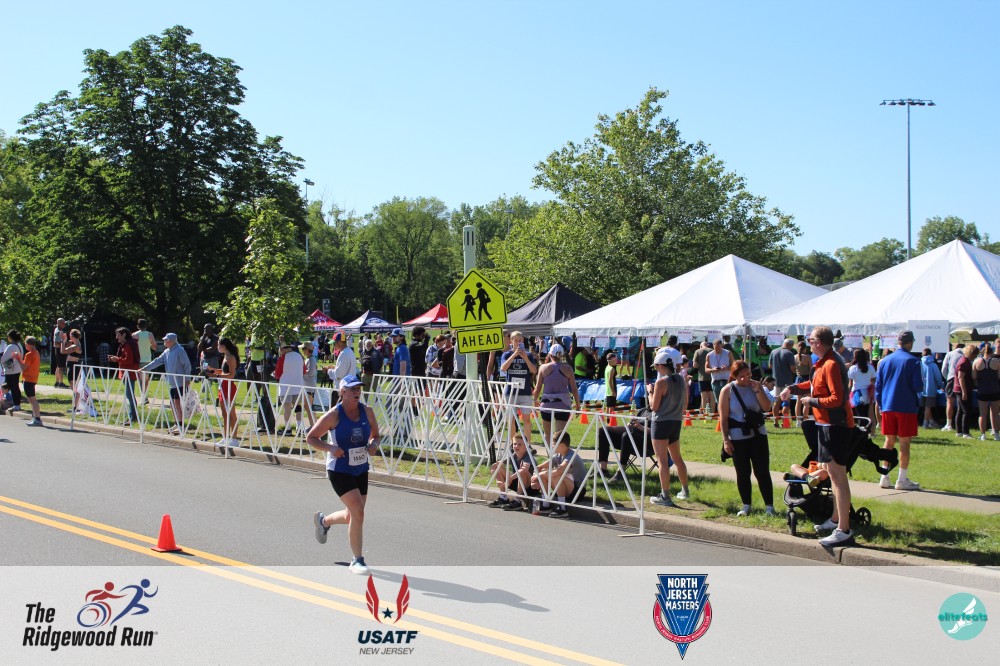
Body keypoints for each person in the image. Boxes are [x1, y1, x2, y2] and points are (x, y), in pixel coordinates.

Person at [781, 326, 855, 547]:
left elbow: (837, 399)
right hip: (825, 425)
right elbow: (813, 385)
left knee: (838, 478)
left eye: (811, 340)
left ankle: (843, 530)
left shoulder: (831, 364)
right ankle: (836, 520)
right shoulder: (822, 363)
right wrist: (793, 389)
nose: (808, 343)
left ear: (819, 343)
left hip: (835, 426)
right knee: (832, 475)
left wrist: (810, 401)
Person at [309, 375, 381, 575]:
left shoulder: (367, 411)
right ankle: (357, 560)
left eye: (359, 388)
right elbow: (311, 437)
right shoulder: (334, 415)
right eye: (353, 389)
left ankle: (324, 522)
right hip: (339, 469)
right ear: (343, 392)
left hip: (360, 468)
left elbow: (376, 435)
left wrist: (373, 445)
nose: (357, 392)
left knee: (353, 515)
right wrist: (330, 448)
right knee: (358, 511)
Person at [719, 360, 774, 516]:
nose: (746, 379)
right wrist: (726, 440)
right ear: (734, 376)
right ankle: (746, 505)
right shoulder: (727, 390)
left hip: (758, 434)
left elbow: (766, 408)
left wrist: (758, 391)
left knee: (762, 471)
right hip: (738, 436)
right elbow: (723, 418)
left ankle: (769, 506)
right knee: (743, 472)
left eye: (748, 375)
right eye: (742, 376)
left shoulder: (756, 386)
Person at [874, 330, 924, 491]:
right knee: (904, 442)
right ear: (910, 343)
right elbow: (918, 386)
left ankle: (884, 476)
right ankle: (901, 479)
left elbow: (878, 385)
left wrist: (881, 404)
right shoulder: (913, 361)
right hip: (906, 406)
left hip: (888, 405)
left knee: (889, 441)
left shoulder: (885, 360)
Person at [646, 351, 690, 507]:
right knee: (677, 458)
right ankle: (685, 490)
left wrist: (650, 391)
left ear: (660, 366)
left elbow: (654, 406)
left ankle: (665, 496)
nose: (656, 369)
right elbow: (685, 402)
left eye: (656, 367)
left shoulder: (661, 382)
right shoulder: (681, 379)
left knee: (662, 461)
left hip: (661, 423)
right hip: (675, 421)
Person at [141, 333, 192, 434]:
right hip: (172, 382)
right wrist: (145, 368)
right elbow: (157, 361)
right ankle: (176, 423)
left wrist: (187, 378)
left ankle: (181, 426)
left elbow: (187, 365)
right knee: (172, 403)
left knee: (177, 403)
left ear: (172, 341)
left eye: (166, 340)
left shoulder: (180, 350)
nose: (164, 341)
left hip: (180, 381)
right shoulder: (166, 351)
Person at [531, 344, 581, 449]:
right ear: (562, 355)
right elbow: (574, 388)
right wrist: (577, 405)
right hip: (563, 404)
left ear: (550, 354)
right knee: (560, 435)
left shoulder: (543, 368)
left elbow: (538, 388)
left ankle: (550, 454)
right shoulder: (568, 369)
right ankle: (558, 454)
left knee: (547, 433)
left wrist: (534, 400)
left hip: (547, 403)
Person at [530, 432, 585, 518]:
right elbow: (539, 467)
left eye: (554, 444)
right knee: (544, 473)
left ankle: (563, 509)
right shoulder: (557, 455)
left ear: (561, 445)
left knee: (555, 475)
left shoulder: (571, 456)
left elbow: (558, 471)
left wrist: (541, 474)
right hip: (566, 487)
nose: (552, 446)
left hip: (578, 491)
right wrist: (535, 479)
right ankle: (546, 504)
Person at [500, 331, 538, 444]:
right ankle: (513, 444)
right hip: (510, 392)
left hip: (525, 391)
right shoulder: (506, 354)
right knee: (511, 419)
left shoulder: (529, 355)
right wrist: (514, 355)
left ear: (523, 341)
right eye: (515, 340)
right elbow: (503, 368)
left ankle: (527, 444)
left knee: (526, 419)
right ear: (511, 341)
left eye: (519, 340)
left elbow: (534, 370)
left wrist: (525, 358)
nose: (517, 342)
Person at [488, 433, 536, 510]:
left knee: (522, 471)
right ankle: (503, 497)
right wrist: (499, 480)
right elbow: (499, 464)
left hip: (531, 486)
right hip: (517, 483)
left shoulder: (528, 456)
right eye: (514, 444)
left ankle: (518, 500)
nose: (516, 446)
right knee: (496, 467)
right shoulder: (514, 455)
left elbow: (524, 469)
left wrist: (510, 478)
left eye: (520, 444)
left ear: (526, 446)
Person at [207, 338, 240, 448]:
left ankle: (234, 438)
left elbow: (231, 374)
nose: (217, 347)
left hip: (228, 386)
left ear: (224, 346)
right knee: (224, 414)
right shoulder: (225, 357)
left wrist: (217, 375)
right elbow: (224, 371)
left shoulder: (231, 358)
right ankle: (225, 437)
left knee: (231, 413)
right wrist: (213, 370)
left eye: (218, 345)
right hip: (222, 386)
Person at [108, 327, 140, 424]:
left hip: (129, 373)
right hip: (127, 372)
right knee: (129, 395)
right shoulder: (127, 344)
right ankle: (132, 416)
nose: (116, 337)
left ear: (124, 335)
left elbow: (129, 360)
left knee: (129, 395)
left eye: (118, 335)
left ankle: (133, 417)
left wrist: (117, 359)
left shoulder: (128, 344)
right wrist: (117, 358)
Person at [276, 344, 305, 435]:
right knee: (298, 407)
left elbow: (278, 373)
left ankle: (288, 429)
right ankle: (299, 427)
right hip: (298, 385)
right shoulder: (299, 356)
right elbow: (304, 371)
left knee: (287, 408)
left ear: (282, 349)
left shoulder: (283, 358)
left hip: (286, 386)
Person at [973, 343, 1000, 441]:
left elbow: (974, 377)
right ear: (992, 352)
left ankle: (983, 435)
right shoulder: (997, 362)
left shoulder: (977, 362)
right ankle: (996, 434)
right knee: (995, 413)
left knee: (982, 414)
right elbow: (999, 376)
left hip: (982, 390)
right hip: (994, 390)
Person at [13, 336, 42, 425]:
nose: (25, 345)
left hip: (29, 379)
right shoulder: (36, 353)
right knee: (32, 400)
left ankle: (37, 419)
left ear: (28, 344)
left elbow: (23, 367)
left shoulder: (29, 354)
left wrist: (18, 358)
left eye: (25, 344)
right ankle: (35, 417)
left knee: (32, 400)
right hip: (32, 378)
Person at [768, 339, 797, 424]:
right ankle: (785, 422)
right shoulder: (790, 353)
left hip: (776, 381)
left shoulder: (773, 351)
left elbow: (770, 366)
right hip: (787, 382)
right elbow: (792, 368)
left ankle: (775, 422)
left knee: (776, 403)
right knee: (786, 402)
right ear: (791, 346)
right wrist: (796, 370)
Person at [952, 345, 978, 439]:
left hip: (958, 389)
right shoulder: (964, 362)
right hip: (962, 389)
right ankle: (965, 433)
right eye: (975, 355)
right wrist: (964, 392)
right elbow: (961, 377)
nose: (975, 357)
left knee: (960, 410)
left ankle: (959, 431)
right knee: (966, 411)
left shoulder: (964, 360)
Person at [940, 342, 965, 431]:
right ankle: (960, 423)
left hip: (951, 378)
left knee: (949, 402)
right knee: (960, 402)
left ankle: (949, 423)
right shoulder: (965, 355)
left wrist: (947, 378)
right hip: (962, 379)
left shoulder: (950, 354)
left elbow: (944, 368)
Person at [847, 348, 876, 423]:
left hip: (857, 393)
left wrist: (847, 394)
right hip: (868, 393)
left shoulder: (853, 368)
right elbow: (873, 380)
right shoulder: (870, 367)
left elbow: (850, 384)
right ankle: (867, 428)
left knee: (859, 415)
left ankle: (862, 428)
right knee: (866, 414)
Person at [132, 319, 157, 403]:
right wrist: (148, 347)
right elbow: (154, 346)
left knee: (140, 379)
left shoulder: (134, 335)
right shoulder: (150, 334)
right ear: (146, 326)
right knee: (145, 380)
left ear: (137, 326)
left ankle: (144, 397)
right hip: (147, 359)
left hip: (138, 359)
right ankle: (144, 396)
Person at [919, 348, 945, 429]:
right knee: (928, 407)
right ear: (930, 354)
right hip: (930, 389)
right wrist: (942, 386)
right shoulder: (933, 365)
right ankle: (925, 423)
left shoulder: (919, 364)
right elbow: (938, 378)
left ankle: (931, 422)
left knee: (926, 407)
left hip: (920, 390)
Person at [1, 330, 25, 413]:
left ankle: (15, 404)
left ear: (11, 337)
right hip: (17, 369)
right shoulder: (19, 345)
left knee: (11, 387)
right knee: (15, 387)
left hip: (10, 370)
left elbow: (3, 359)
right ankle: (17, 403)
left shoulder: (10, 347)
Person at [705, 339, 733, 407]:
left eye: (719, 348)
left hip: (727, 380)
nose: (717, 350)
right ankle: (720, 412)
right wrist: (713, 370)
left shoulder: (728, 353)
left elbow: (734, 366)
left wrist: (726, 368)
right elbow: (706, 369)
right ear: (713, 346)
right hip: (716, 381)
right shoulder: (709, 355)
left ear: (722, 346)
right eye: (715, 349)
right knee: (718, 401)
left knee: (728, 399)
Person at [691, 341, 715, 414]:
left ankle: (705, 414)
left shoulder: (698, 351)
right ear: (707, 345)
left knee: (704, 396)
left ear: (700, 346)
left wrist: (700, 366)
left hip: (702, 377)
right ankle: (712, 413)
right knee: (712, 396)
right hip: (712, 376)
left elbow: (694, 365)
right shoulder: (712, 351)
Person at [52, 318, 68, 388]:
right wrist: (65, 344)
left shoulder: (56, 329)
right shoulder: (59, 331)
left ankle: (57, 381)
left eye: (64, 323)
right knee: (61, 366)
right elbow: (57, 342)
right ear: (58, 323)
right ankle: (61, 382)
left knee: (58, 366)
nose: (64, 324)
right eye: (62, 323)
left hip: (58, 349)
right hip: (59, 350)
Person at [603, 350, 619, 416]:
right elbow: (610, 381)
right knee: (611, 406)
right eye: (615, 360)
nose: (616, 362)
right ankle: (610, 419)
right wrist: (613, 391)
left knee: (608, 406)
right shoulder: (612, 369)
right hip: (611, 390)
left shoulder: (607, 367)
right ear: (611, 360)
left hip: (608, 390)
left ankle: (608, 419)